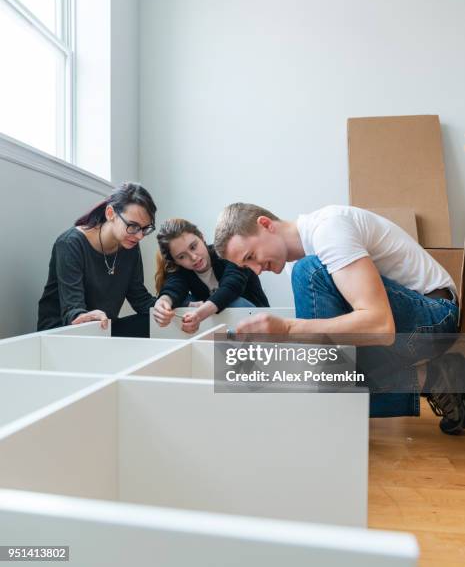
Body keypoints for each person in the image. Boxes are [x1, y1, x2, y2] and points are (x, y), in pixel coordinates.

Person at [214, 203, 465, 434]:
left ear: (266, 224)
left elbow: (381, 327)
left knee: (327, 382)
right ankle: (436, 378)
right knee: (334, 385)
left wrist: (288, 329)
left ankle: (330, 409)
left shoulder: (327, 230)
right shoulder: (297, 264)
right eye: (247, 268)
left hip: (434, 319)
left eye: (250, 257)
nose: (257, 270)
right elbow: (326, 344)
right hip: (405, 331)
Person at [38, 182, 157, 338]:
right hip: (64, 331)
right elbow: (73, 312)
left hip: (102, 329)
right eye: (133, 226)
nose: (139, 236)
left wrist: (173, 305)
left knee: (156, 321)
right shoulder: (70, 243)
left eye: (145, 228)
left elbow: (140, 299)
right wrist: (91, 319)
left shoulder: (129, 245)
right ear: (110, 213)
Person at [153, 218, 269, 333]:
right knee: (182, 303)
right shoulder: (182, 271)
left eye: (193, 246)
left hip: (257, 319)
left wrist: (199, 314)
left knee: (233, 302)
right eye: (182, 257)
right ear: (176, 261)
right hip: (222, 329)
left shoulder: (228, 252)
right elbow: (173, 288)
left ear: (202, 238)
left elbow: (232, 285)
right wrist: (163, 302)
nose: (193, 257)